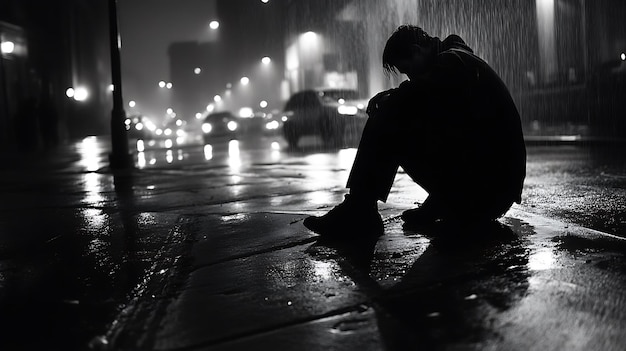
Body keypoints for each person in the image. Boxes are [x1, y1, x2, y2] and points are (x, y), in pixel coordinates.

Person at [303, 25, 526, 238]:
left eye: (408, 70)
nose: (409, 77)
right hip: (491, 191)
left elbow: (419, 93)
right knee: (406, 110)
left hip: (486, 195)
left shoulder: (453, 62)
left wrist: (387, 97)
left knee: (389, 113)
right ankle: (438, 202)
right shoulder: (456, 62)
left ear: (417, 51)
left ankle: (360, 209)